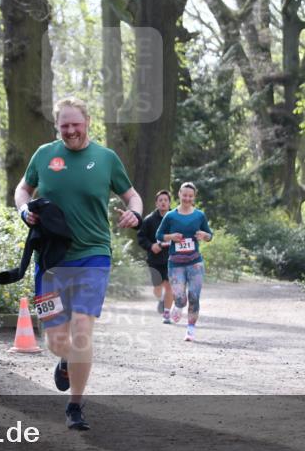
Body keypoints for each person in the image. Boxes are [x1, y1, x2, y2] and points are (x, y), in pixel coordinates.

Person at [14, 96, 142, 430]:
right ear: (57, 127)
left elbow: (132, 195)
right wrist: (24, 210)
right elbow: (22, 189)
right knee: (55, 340)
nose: (71, 131)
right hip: (51, 259)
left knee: (82, 328)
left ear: (87, 122)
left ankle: (75, 405)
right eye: (64, 125)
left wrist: (136, 213)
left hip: (93, 256)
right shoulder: (44, 155)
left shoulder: (105, 158)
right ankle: (66, 360)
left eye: (76, 124)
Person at [156, 182, 213, 342]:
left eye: (190, 196)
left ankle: (190, 329)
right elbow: (159, 235)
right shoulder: (171, 216)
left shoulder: (199, 215)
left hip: (195, 262)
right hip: (176, 264)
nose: (187, 198)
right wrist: (171, 237)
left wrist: (204, 235)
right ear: (179, 195)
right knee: (180, 298)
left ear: (194, 197)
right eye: (184, 195)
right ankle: (178, 305)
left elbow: (209, 235)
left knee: (194, 296)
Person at [137, 190, 174, 323]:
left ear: (170, 203)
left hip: (172, 258)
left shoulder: (175, 218)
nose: (163, 202)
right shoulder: (149, 220)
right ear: (156, 203)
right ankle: (161, 300)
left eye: (166, 200)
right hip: (155, 259)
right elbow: (141, 238)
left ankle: (166, 313)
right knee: (158, 287)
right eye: (160, 200)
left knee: (169, 286)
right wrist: (151, 246)